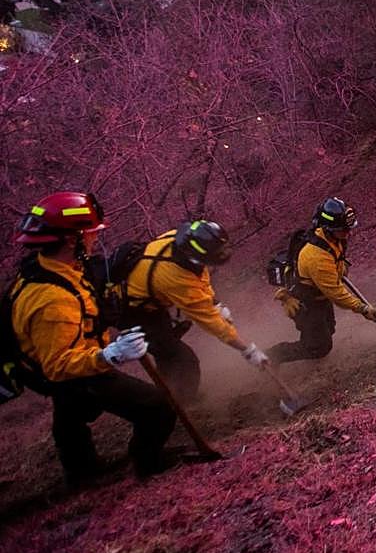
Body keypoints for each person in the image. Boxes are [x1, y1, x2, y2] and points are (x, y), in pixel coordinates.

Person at [6, 192, 176, 485]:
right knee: (157, 407)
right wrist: (110, 355)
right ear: (72, 239)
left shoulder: (58, 267)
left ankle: (80, 470)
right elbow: (58, 367)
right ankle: (149, 464)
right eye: (91, 233)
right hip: (74, 370)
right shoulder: (50, 300)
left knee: (70, 414)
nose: (95, 238)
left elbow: (82, 306)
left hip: (65, 363)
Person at [115, 220, 269, 401]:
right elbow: (212, 324)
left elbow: (200, 277)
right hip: (132, 312)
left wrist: (214, 302)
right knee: (182, 359)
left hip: (150, 302)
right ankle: (179, 404)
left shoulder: (182, 244)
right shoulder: (176, 279)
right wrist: (247, 350)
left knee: (168, 352)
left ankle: (170, 392)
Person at [267, 197, 376, 364]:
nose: (348, 233)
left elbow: (338, 261)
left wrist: (341, 268)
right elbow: (336, 293)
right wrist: (363, 308)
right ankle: (271, 356)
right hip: (304, 302)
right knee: (319, 347)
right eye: (344, 230)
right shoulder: (316, 257)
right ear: (328, 228)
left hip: (320, 297)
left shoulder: (335, 238)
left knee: (329, 328)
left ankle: (312, 341)